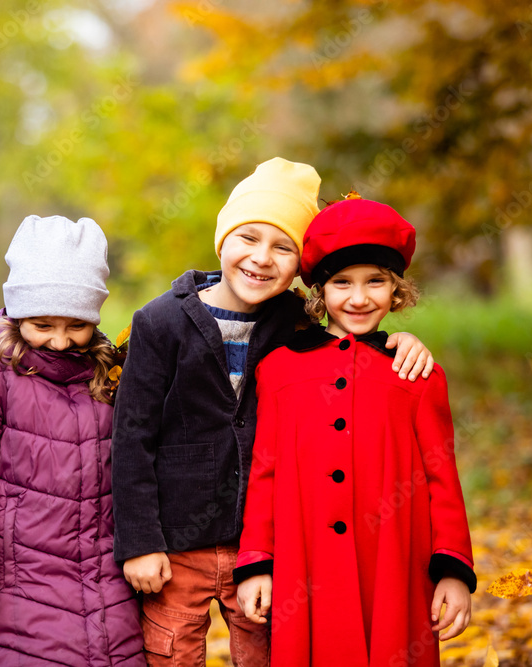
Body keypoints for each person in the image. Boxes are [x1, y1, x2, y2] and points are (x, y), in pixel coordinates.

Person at [111, 159, 436, 666]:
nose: (262, 259)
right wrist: (139, 543)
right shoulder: (159, 322)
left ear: (300, 267)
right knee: (172, 654)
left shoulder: (294, 323)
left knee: (266, 655)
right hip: (175, 547)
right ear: (222, 241)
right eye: (249, 238)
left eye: (283, 247)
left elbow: (348, 348)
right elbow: (132, 438)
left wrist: (398, 341)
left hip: (266, 550)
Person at [235, 196, 476, 666]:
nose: (359, 298)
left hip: (395, 566)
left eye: (376, 282)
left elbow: (443, 475)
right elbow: (265, 472)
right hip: (304, 569)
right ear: (319, 292)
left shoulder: (417, 373)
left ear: (397, 291)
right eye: (342, 282)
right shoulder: (279, 370)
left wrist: (452, 568)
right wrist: (257, 563)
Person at [0, 215, 144, 666]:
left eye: (77, 326)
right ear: (17, 311)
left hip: (106, 576)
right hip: (19, 577)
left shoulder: (111, 375)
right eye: (44, 325)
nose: (61, 341)